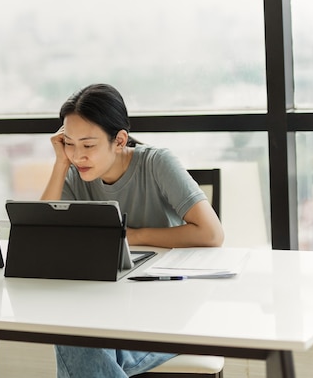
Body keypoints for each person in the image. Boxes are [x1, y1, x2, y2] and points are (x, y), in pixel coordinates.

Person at [41, 83, 224, 377]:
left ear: (119, 140)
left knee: (74, 341)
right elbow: (43, 235)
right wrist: (60, 165)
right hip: (111, 307)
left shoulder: (157, 163)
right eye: (69, 144)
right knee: (75, 338)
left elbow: (211, 233)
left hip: (172, 306)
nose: (78, 156)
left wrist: (129, 235)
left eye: (88, 145)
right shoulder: (74, 173)